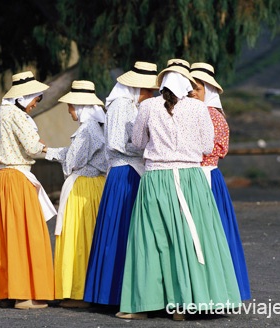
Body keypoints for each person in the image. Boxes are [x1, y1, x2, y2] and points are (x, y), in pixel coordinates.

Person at [117, 59, 241, 321]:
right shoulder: (198, 108)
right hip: (190, 179)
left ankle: (142, 305)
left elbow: (138, 142)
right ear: (186, 83)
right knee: (189, 237)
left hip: (156, 178)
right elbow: (208, 145)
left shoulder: (148, 106)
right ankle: (185, 303)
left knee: (150, 239)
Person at [0, 71, 57, 309]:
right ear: (24, 96)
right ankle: (24, 295)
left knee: (2, 235)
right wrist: (45, 147)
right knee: (24, 235)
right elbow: (31, 148)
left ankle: (5, 292)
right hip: (16, 180)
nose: (34, 105)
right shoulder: (18, 117)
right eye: (35, 99)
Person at [83, 61, 158, 306]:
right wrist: (150, 147)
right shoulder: (120, 106)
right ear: (137, 89)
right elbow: (116, 142)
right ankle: (113, 292)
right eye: (149, 91)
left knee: (130, 230)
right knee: (121, 228)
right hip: (124, 173)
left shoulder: (133, 105)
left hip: (133, 170)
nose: (151, 96)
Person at [190, 62, 251, 301]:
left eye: (198, 88)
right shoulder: (195, 113)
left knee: (212, 232)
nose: (193, 92)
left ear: (209, 91)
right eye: (191, 88)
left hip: (207, 176)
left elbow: (218, 149)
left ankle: (219, 290)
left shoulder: (213, 116)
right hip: (196, 175)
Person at [45, 80, 107, 308]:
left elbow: (73, 161)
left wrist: (49, 153)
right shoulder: (99, 126)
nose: (70, 111)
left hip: (83, 188)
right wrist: (48, 151)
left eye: (70, 106)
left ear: (80, 106)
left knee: (77, 237)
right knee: (90, 236)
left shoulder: (86, 130)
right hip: (97, 185)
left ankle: (77, 291)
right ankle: (89, 288)